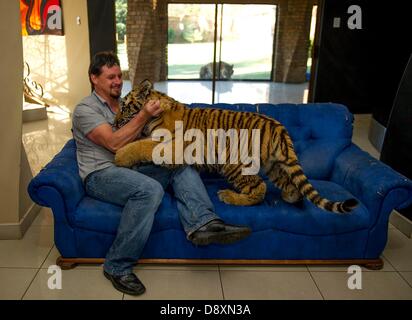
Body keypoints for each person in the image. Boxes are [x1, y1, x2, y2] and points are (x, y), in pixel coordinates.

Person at [72, 51, 251, 296]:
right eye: (110, 77)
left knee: (178, 160)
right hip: (101, 175)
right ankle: (116, 265)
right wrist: (144, 115)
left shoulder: (126, 105)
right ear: (94, 78)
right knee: (149, 190)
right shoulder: (85, 109)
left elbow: (145, 140)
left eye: (119, 76)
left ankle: (203, 223)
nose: (117, 81)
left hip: (131, 168)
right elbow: (114, 143)